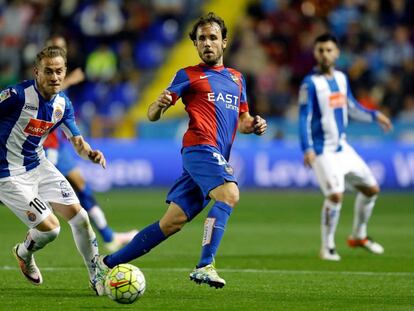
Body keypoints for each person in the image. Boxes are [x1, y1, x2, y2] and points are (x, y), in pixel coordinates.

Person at [93, 12, 267, 294]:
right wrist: (158, 106)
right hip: (199, 148)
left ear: (224, 42)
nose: (207, 43)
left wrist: (255, 123)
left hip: (214, 155)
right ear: (196, 45)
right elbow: (151, 114)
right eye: (201, 39)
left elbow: (243, 120)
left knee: (171, 223)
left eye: (213, 38)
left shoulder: (237, 79)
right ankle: (204, 265)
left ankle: (105, 263)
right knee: (229, 194)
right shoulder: (188, 75)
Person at [0, 45, 106, 290]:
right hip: (8, 174)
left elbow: (77, 141)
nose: (55, 77)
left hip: (39, 164)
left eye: (59, 71)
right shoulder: (17, 95)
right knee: (51, 230)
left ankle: (96, 274)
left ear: (65, 71)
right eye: (49, 71)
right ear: (37, 72)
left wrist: (89, 153)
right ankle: (24, 253)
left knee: (80, 217)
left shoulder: (63, 104)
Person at [298, 33, 393, 261]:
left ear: (337, 53)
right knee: (335, 196)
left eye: (329, 50)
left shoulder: (341, 78)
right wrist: (307, 148)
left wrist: (375, 115)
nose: (325, 54)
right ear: (315, 53)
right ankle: (327, 247)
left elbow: (350, 106)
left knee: (371, 190)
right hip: (322, 151)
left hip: (343, 148)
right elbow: (304, 117)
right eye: (320, 50)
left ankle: (359, 235)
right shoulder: (310, 84)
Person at [45, 35, 137, 252]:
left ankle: (108, 235)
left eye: (63, 47)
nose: (60, 51)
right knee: (46, 198)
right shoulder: (48, 76)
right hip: (45, 146)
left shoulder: (62, 78)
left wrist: (87, 150)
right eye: (56, 47)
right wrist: (69, 81)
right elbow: (47, 95)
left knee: (82, 189)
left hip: (60, 145)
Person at [43, 130, 137, 252]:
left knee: (83, 191)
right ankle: (108, 237)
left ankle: (109, 237)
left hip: (56, 146)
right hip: (43, 148)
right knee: (60, 195)